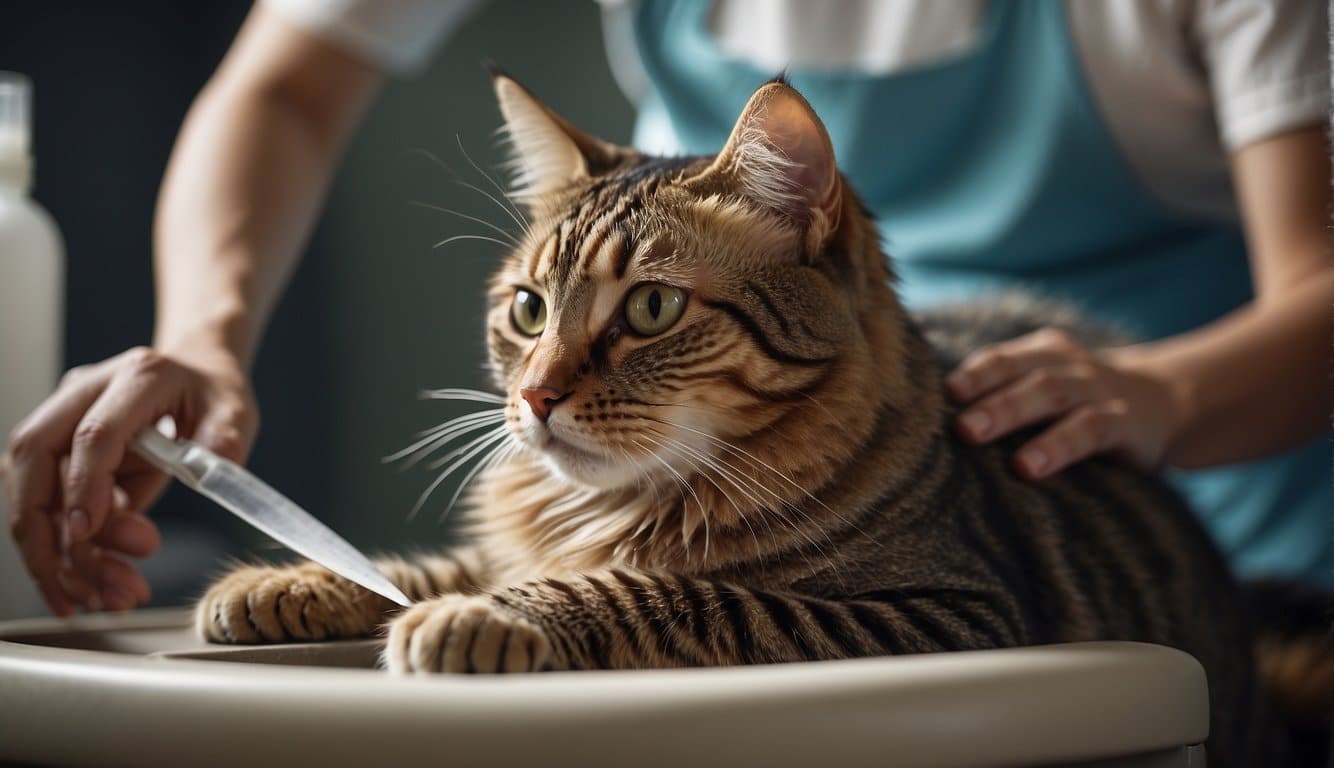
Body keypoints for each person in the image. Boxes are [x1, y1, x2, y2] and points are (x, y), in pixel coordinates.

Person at [3, 0, 1330, 616]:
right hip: (691, 457)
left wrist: (1161, 394)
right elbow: (283, 84)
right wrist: (202, 336)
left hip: (1167, 484)